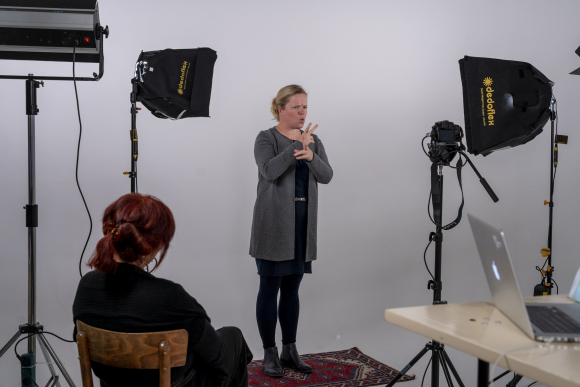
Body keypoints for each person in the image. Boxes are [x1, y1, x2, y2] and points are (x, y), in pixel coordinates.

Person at [73, 193, 253, 387]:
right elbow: (216, 356)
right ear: (153, 244)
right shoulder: (170, 297)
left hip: (112, 383)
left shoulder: (87, 286)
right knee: (233, 337)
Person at [249, 85, 333, 377]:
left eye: (305, 107)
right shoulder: (266, 138)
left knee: (292, 289)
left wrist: (310, 154)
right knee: (269, 288)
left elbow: (327, 176)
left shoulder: (314, 140)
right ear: (280, 109)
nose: (302, 112)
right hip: (273, 224)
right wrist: (298, 147)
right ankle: (269, 352)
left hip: (302, 223)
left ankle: (289, 349)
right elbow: (269, 171)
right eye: (296, 107)